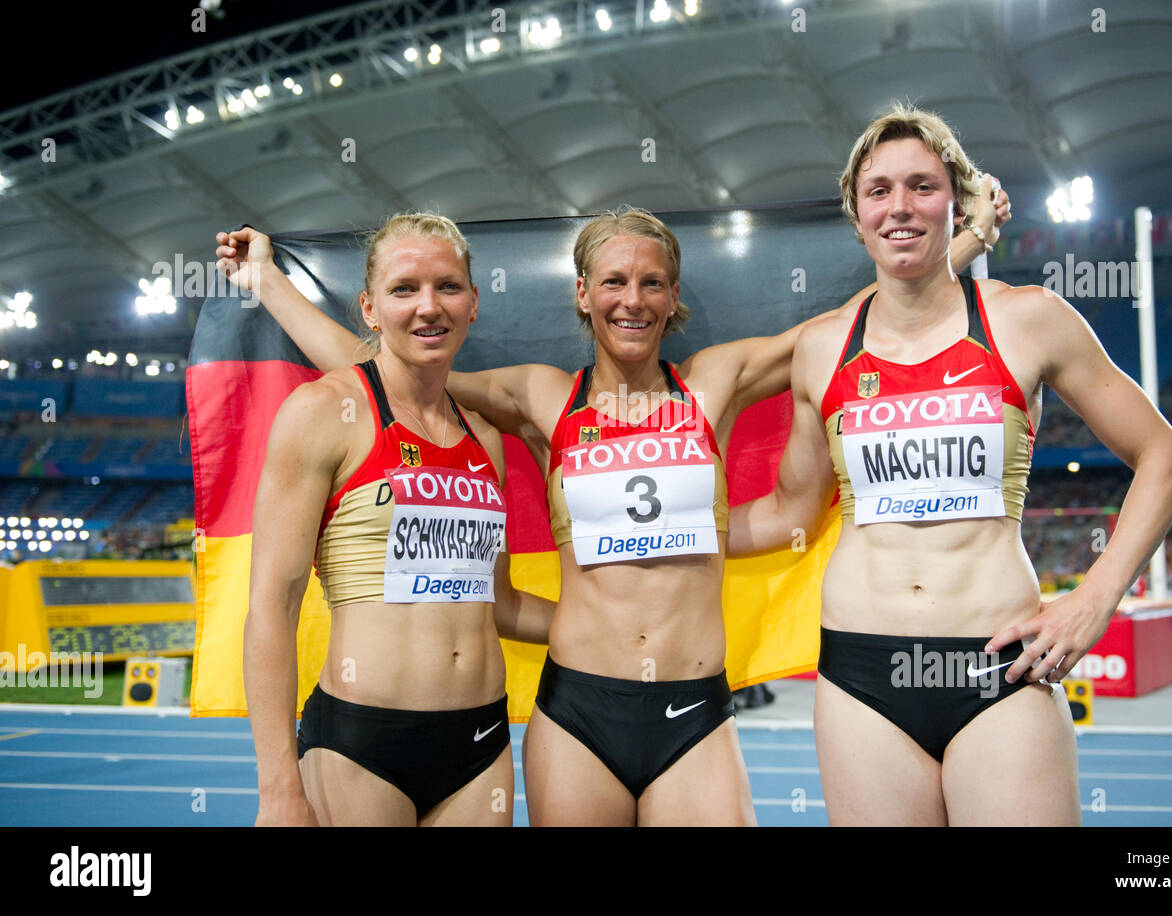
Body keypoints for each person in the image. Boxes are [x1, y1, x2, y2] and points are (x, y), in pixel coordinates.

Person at [216, 192, 1006, 825]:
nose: (634, 300)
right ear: (584, 295)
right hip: (578, 710)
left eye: (652, 282)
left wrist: (955, 248)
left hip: (696, 704)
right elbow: (386, 370)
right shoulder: (540, 398)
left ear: (672, 297)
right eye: (615, 283)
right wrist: (270, 287)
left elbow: (838, 334)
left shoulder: (712, 382)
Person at [728, 102, 1172, 826]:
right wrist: (679, 534)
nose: (900, 207)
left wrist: (1097, 598)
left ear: (959, 198)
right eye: (878, 191)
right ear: (856, 215)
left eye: (922, 185)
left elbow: (1164, 457)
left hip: (998, 668)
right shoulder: (822, 349)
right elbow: (791, 510)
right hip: (861, 681)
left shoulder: (1027, 319)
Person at [223, 213, 553, 826]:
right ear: (370, 309)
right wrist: (278, 790)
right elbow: (273, 604)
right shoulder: (324, 413)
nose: (429, 307)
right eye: (404, 290)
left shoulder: (486, 436)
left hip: (481, 746)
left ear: (474, 302)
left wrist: (616, 631)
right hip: (359, 745)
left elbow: (499, 604)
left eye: (448, 287)